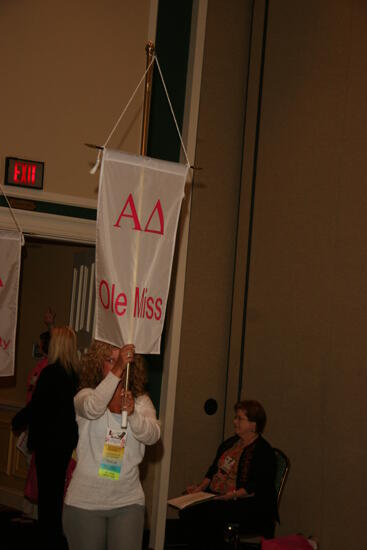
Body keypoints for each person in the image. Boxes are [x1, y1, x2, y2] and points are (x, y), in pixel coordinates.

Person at [63, 340, 161, 550]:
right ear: (98, 365)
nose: (121, 365)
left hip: (128, 502)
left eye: (126, 361)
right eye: (111, 360)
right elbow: (93, 408)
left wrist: (133, 415)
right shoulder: (85, 395)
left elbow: (152, 436)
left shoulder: (141, 401)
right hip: (85, 503)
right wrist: (117, 371)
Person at [12, 326, 79, 550]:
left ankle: (48, 540)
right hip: (66, 444)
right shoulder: (75, 375)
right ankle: (56, 539)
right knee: (57, 495)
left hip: (48, 444)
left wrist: (17, 421)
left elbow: (37, 406)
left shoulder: (50, 373)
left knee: (47, 498)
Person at [180, 400, 278, 549]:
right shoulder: (230, 443)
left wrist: (231, 495)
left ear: (253, 425)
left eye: (240, 418)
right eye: (235, 417)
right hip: (217, 496)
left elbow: (255, 486)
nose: (234, 421)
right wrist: (200, 488)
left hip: (246, 502)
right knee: (187, 506)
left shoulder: (263, 452)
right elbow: (213, 469)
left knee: (210, 514)